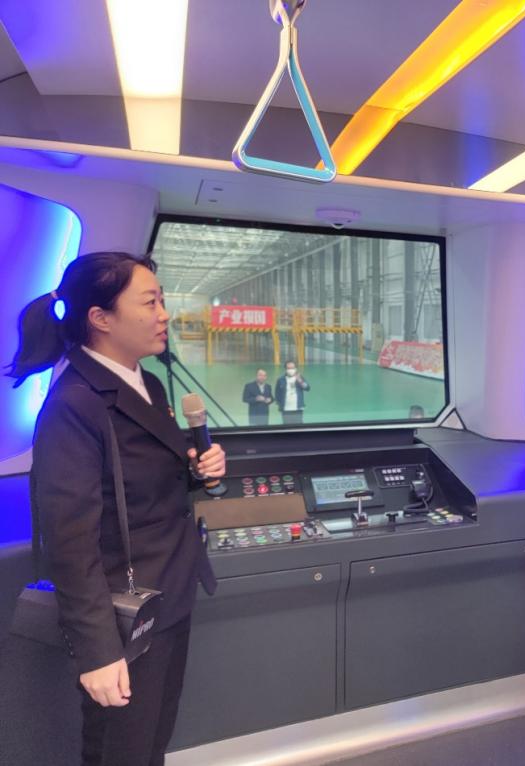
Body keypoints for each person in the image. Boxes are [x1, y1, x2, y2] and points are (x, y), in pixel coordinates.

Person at [5, 251, 225, 766]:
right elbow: (70, 540)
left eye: (162, 300)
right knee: (119, 753)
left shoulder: (146, 382)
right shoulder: (75, 404)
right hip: (123, 616)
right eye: (149, 302)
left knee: (152, 744)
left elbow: (145, 478)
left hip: (169, 594)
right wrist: (99, 652)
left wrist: (199, 471)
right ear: (101, 318)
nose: (164, 314)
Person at [275, 360, 310, 425]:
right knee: (287, 427)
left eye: (292, 368)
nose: (291, 370)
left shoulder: (300, 377)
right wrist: (280, 404)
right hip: (286, 409)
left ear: (295, 368)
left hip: (298, 408)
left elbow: (307, 388)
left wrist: (300, 381)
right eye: (288, 368)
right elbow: (277, 394)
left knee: (299, 427)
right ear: (285, 369)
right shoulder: (280, 380)